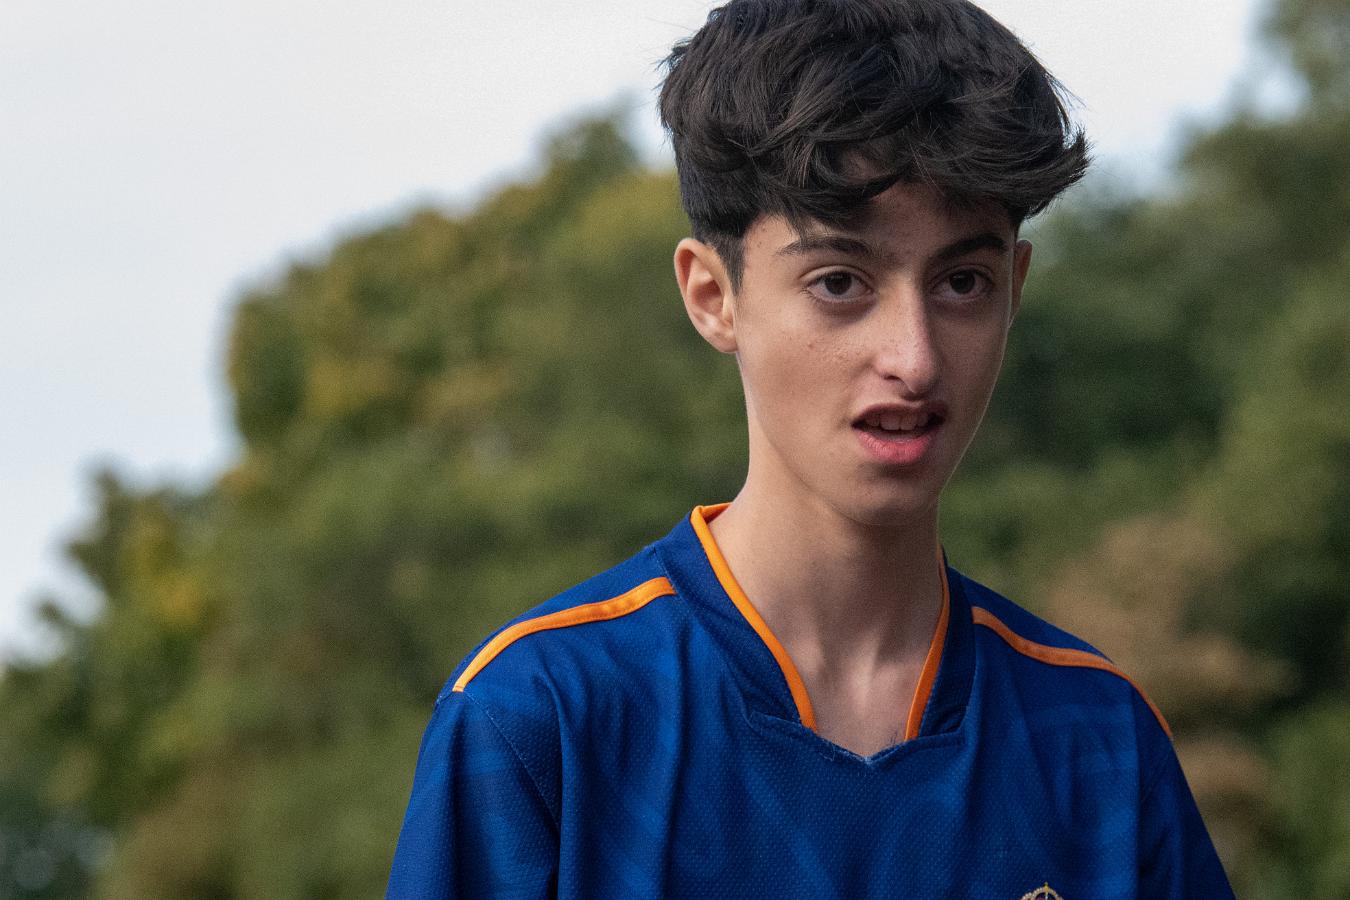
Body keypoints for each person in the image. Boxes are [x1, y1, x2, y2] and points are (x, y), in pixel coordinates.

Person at [387, 0, 1234, 896]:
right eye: (839, 283)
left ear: (1015, 291)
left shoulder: (1100, 741)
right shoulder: (542, 721)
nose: (913, 358)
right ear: (713, 297)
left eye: (961, 282)